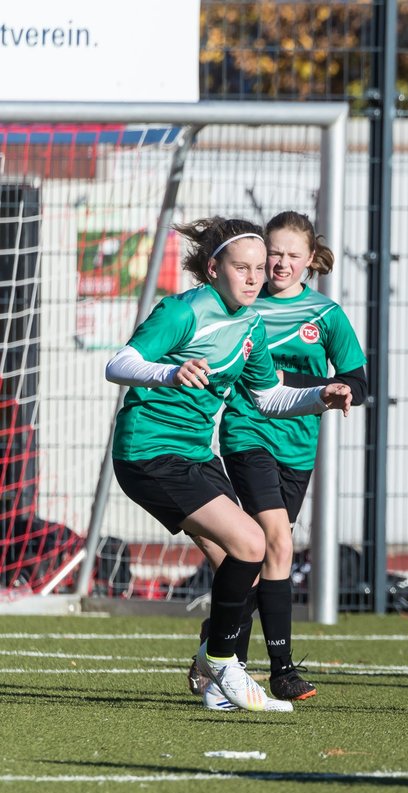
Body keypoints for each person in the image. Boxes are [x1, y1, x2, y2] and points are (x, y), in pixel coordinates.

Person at [106, 217, 352, 713]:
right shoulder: (184, 310)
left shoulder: (251, 324)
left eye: (260, 269)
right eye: (243, 268)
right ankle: (223, 661)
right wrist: (171, 372)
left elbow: (267, 398)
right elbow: (119, 363)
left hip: (196, 454)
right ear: (215, 267)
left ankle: (213, 676)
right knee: (252, 543)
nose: (255, 277)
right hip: (149, 453)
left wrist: (319, 397)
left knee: (244, 571)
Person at [184, 211, 368, 705]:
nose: (280, 264)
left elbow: (358, 381)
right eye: (273, 256)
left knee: (261, 555)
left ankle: (221, 647)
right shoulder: (242, 306)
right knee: (277, 543)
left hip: (298, 448)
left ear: (311, 260)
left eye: (291, 255)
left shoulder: (327, 316)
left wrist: (336, 390)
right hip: (247, 435)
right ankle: (282, 670)